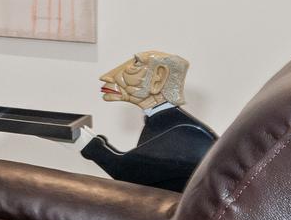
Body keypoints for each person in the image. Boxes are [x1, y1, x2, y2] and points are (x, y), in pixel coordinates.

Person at [77, 50, 217, 191]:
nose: (106, 77)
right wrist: (98, 142)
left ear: (158, 78)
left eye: (135, 65)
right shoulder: (171, 124)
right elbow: (139, 164)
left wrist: (84, 142)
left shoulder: (187, 133)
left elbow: (126, 172)